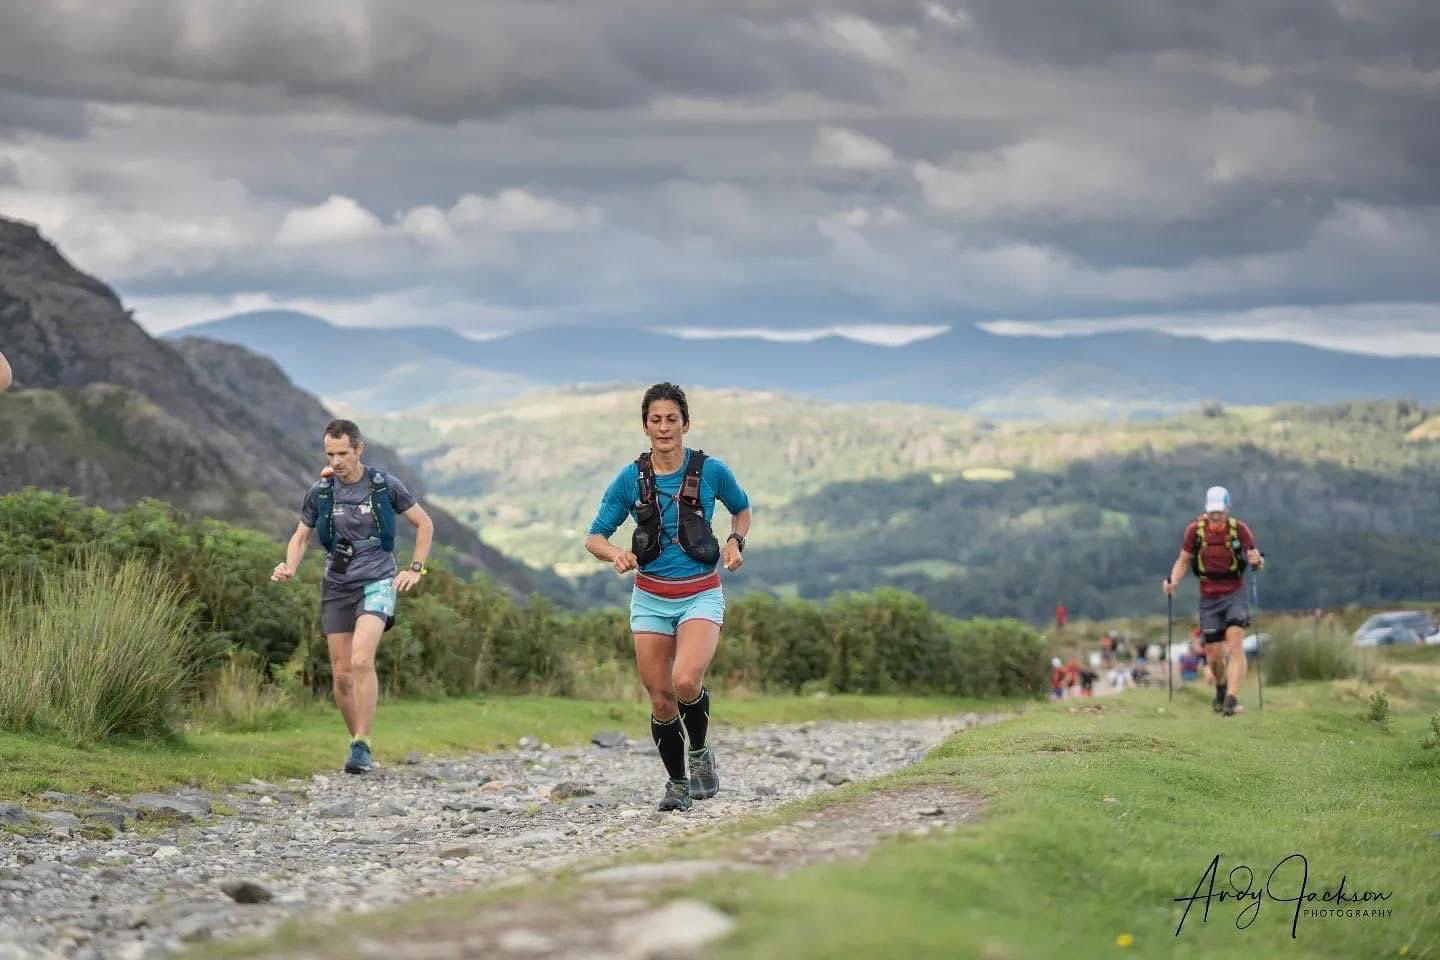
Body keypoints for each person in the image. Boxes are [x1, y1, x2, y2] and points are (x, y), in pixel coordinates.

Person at [585, 383, 751, 812]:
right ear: (645, 427)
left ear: (686, 424)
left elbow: (741, 508)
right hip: (650, 598)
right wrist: (616, 553)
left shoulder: (712, 471)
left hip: (700, 594)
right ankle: (677, 783)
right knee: (660, 697)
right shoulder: (630, 479)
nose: (663, 427)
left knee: (685, 681)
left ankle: (700, 752)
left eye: (671, 419)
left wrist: (735, 541)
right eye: (655, 420)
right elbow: (595, 537)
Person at [271, 419, 435, 773]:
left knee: (361, 661)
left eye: (343, 453)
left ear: (359, 449)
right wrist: (289, 567)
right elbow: (301, 537)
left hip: (378, 581)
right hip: (336, 585)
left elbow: (424, 523)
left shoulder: (384, 486)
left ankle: (362, 741)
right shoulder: (320, 492)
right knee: (342, 674)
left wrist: (415, 569)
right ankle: (359, 745)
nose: (336, 461)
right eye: (330, 454)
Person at [1163, 485, 1263, 717]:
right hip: (1209, 597)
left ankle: (1231, 699)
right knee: (1214, 655)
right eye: (1212, 511)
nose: (1215, 515)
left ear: (1227, 509)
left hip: (1235, 592)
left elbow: (1256, 559)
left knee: (1235, 643)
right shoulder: (1195, 531)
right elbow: (1183, 561)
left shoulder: (1239, 530)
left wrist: (1257, 561)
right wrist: (1173, 581)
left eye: (1219, 511)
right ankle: (1221, 685)